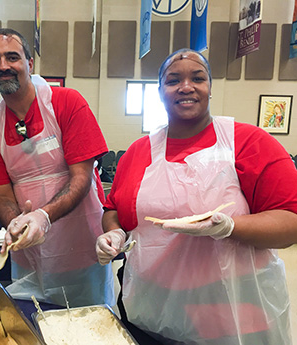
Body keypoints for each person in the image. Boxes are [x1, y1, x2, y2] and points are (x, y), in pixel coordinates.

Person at [96, 48, 297, 344]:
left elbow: (289, 222)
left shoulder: (250, 143)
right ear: (161, 91)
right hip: (152, 308)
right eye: (173, 80)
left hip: (232, 310)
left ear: (210, 88)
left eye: (198, 78)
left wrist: (230, 228)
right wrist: (113, 235)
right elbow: (114, 210)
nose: (186, 86)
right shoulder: (138, 154)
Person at [0, 28, 114, 307]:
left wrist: (43, 216)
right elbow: (1, 196)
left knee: (88, 324)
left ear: (29, 63)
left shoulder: (66, 103)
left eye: (12, 57)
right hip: (30, 253)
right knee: (35, 322)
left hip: (81, 245)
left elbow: (81, 178)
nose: (3, 66)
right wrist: (16, 223)